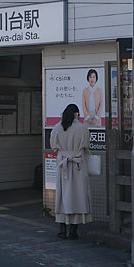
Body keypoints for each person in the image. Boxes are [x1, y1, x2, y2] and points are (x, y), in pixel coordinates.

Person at [50, 103, 92, 240]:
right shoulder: (82, 128)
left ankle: (62, 229)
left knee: (62, 196)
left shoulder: (57, 128)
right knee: (78, 196)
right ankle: (73, 230)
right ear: (76, 114)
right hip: (77, 164)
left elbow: (54, 147)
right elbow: (86, 145)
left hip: (63, 164)